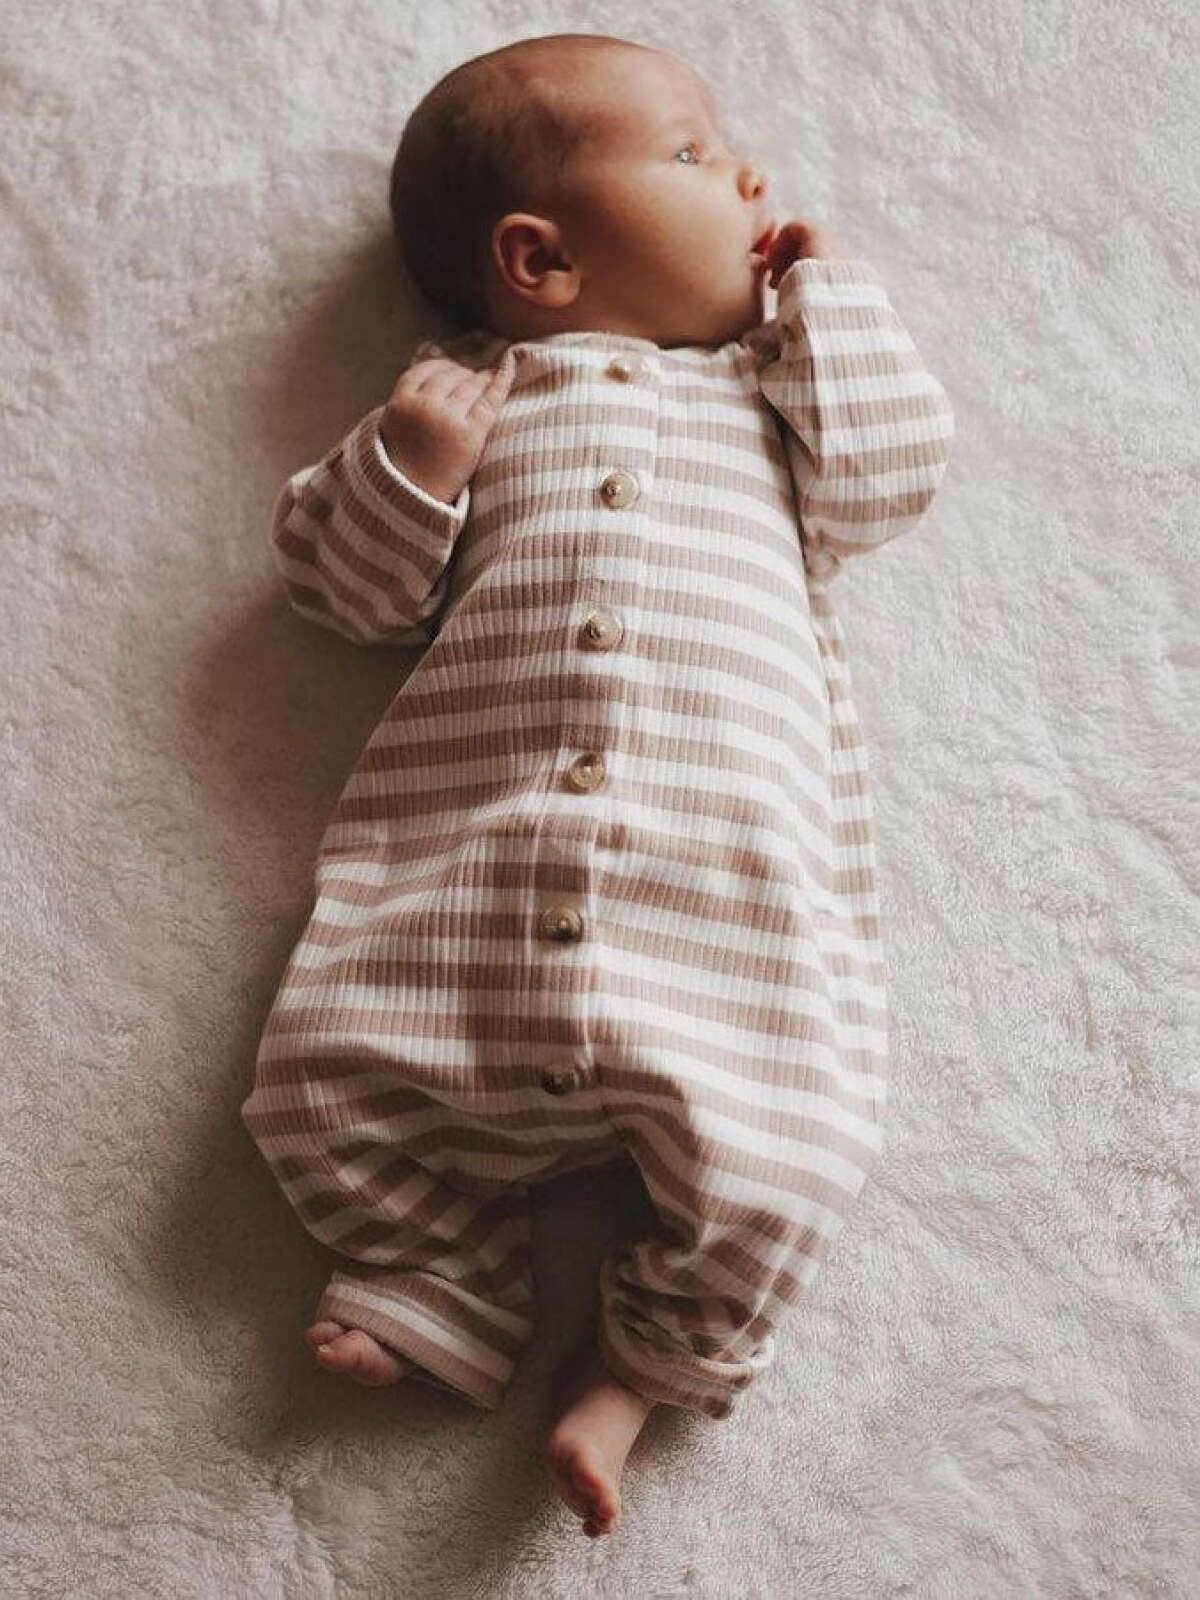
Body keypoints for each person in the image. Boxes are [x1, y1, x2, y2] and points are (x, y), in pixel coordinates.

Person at [240, 31, 954, 1539]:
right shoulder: (473, 402)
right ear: (539, 261)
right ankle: (447, 1273)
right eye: (694, 155)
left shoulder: (769, 395)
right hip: (471, 895)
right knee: (310, 1087)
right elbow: (344, 592)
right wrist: (409, 467)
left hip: (726, 907)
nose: (748, 171)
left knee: (799, 1149)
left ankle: (638, 1366)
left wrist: (827, 301)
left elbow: (891, 478)